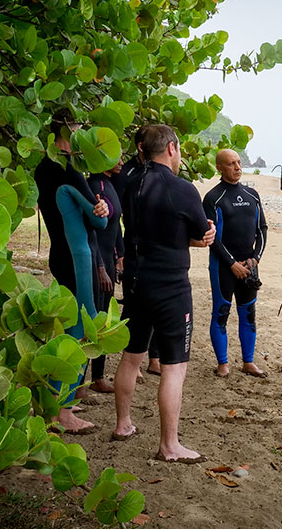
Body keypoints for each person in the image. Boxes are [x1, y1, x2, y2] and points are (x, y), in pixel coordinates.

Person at [112, 124, 215, 463]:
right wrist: (206, 234)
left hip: (136, 281)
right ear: (171, 148)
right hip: (170, 286)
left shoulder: (128, 182)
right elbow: (202, 232)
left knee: (131, 356)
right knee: (174, 367)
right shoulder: (181, 188)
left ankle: (123, 424)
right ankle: (169, 445)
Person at [34, 115, 109, 434]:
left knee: (68, 328)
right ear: (69, 133)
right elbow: (100, 223)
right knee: (82, 329)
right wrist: (101, 207)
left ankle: (55, 399)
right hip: (78, 257)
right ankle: (61, 412)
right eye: (80, 131)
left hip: (59, 253)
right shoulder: (70, 170)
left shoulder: (42, 166)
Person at [202, 149, 268, 378]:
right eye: (231, 164)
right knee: (221, 313)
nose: (238, 167)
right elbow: (212, 238)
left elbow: (262, 229)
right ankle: (223, 364)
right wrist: (232, 263)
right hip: (223, 266)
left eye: (239, 163)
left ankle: (248, 362)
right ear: (220, 168)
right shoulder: (213, 198)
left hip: (249, 264)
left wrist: (255, 258)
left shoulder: (252, 195)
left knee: (248, 313)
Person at [113, 128, 161, 378]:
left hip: (154, 249)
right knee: (133, 307)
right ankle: (133, 360)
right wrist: (118, 251)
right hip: (130, 245)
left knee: (155, 306)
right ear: (141, 147)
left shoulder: (157, 171)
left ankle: (154, 358)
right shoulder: (127, 172)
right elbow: (115, 215)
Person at [86, 158, 125, 394]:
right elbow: (92, 228)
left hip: (108, 260)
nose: (120, 160)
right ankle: (83, 383)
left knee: (105, 318)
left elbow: (115, 226)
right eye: (115, 156)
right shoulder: (95, 186)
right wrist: (100, 267)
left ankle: (98, 376)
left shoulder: (110, 183)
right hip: (95, 261)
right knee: (94, 318)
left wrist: (120, 255)